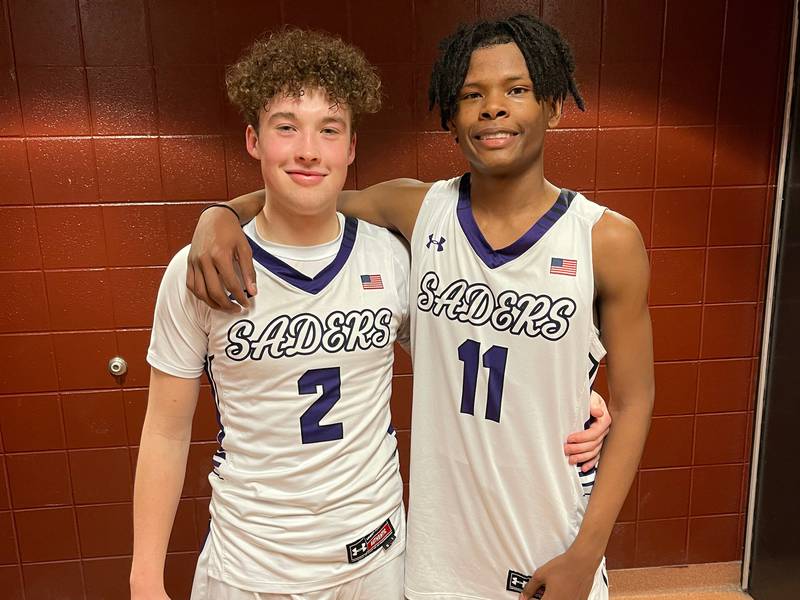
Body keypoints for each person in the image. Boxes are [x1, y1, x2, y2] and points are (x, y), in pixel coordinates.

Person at [189, 14, 646, 600]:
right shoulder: (416, 209)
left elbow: (636, 400)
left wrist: (588, 553)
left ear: (554, 106)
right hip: (433, 555)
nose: (494, 108)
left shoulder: (605, 239)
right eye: (471, 95)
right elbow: (307, 188)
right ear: (450, 118)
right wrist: (220, 214)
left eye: (517, 90)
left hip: (549, 539)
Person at [131, 29, 411, 600]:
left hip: (377, 556)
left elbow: (465, 357)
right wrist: (144, 577)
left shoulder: (391, 256)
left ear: (351, 147)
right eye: (286, 126)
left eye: (329, 130)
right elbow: (165, 428)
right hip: (249, 565)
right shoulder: (199, 269)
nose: (308, 149)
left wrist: (573, 390)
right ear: (254, 140)